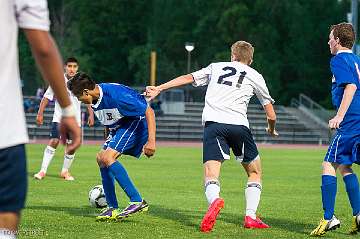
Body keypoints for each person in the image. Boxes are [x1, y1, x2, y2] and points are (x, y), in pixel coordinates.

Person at [146, 40, 278, 232]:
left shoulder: (216, 67)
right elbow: (271, 114)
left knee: (211, 174)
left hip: (214, 125)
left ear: (232, 56)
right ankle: (250, 216)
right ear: (250, 60)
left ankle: (215, 200)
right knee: (254, 173)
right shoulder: (255, 75)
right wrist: (271, 129)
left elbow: (188, 77)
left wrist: (160, 87)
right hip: (239, 126)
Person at [0, 1, 81, 238]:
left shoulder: (80, 80)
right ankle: (46, 170)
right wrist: (67, 111)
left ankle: (63, 171)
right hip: (4, 131)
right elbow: (43, 47)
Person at [67, 72, 156, 221]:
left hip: (136, 123)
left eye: (78, 96)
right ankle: (112, 208)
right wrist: (107, 144)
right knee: (101, 158)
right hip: (119, 127)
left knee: (108, 157)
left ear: (86, 92)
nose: (79, 100)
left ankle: (137, 201)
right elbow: (108, 121)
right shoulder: (94, 98)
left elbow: (149, 111)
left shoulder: (116, 96)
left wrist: (151, 141)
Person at [310, 22, 360, 236]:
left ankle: (328, 218)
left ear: (338, 40)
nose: (328, 41)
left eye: (331, 38)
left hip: (350, 121)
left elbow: (351, 86)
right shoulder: (357, 59)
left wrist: (339, 115)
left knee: (328, 165)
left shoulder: (339, 59)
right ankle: (358, 216)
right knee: (345, 166)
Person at [34, 57, 94, 181]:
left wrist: (91, 115)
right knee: (54, 141)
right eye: (70, 66)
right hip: (59, 118)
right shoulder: (58, 79)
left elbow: (88, 100)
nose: (72, 69)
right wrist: (40, 114)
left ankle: (65, 172)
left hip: (75, 120)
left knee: (71, 146)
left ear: (77, 68)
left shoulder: (80, 81)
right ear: (65, 67)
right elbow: (46, 97)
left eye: (74, 66)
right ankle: (42, 171)